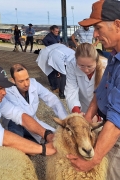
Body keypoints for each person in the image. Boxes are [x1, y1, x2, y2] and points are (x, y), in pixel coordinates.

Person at [66, 1, 120, 180]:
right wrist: (87, 118)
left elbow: (117, 118)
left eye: (98, 27)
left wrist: (92, 161)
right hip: (107, 124)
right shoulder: (114, 56)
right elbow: (101, 91)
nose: (95, 35)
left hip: (116, 132)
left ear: (118, 25)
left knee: (109, 172)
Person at [2, 64, 68, 143]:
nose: (26, 84)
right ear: (13, 80)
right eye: (21, 81)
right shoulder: (7, 92)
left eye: (27, 79)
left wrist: (65, 120)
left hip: (33, 121)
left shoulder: (34, 84)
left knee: (58, 139)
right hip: (16, 123)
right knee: (18, 145)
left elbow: (52, 99)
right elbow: (23, 115)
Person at [65, 43, 104, 115]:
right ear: (76, 60)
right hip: (84, 105)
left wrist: (99, 115)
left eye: (90, 66)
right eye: (81, 65)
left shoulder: (106, 67)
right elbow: (71, 89)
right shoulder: (72, 65)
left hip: (102, 108)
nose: (86, 70)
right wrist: (76, 111)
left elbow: (108, 95)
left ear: (96, 61)